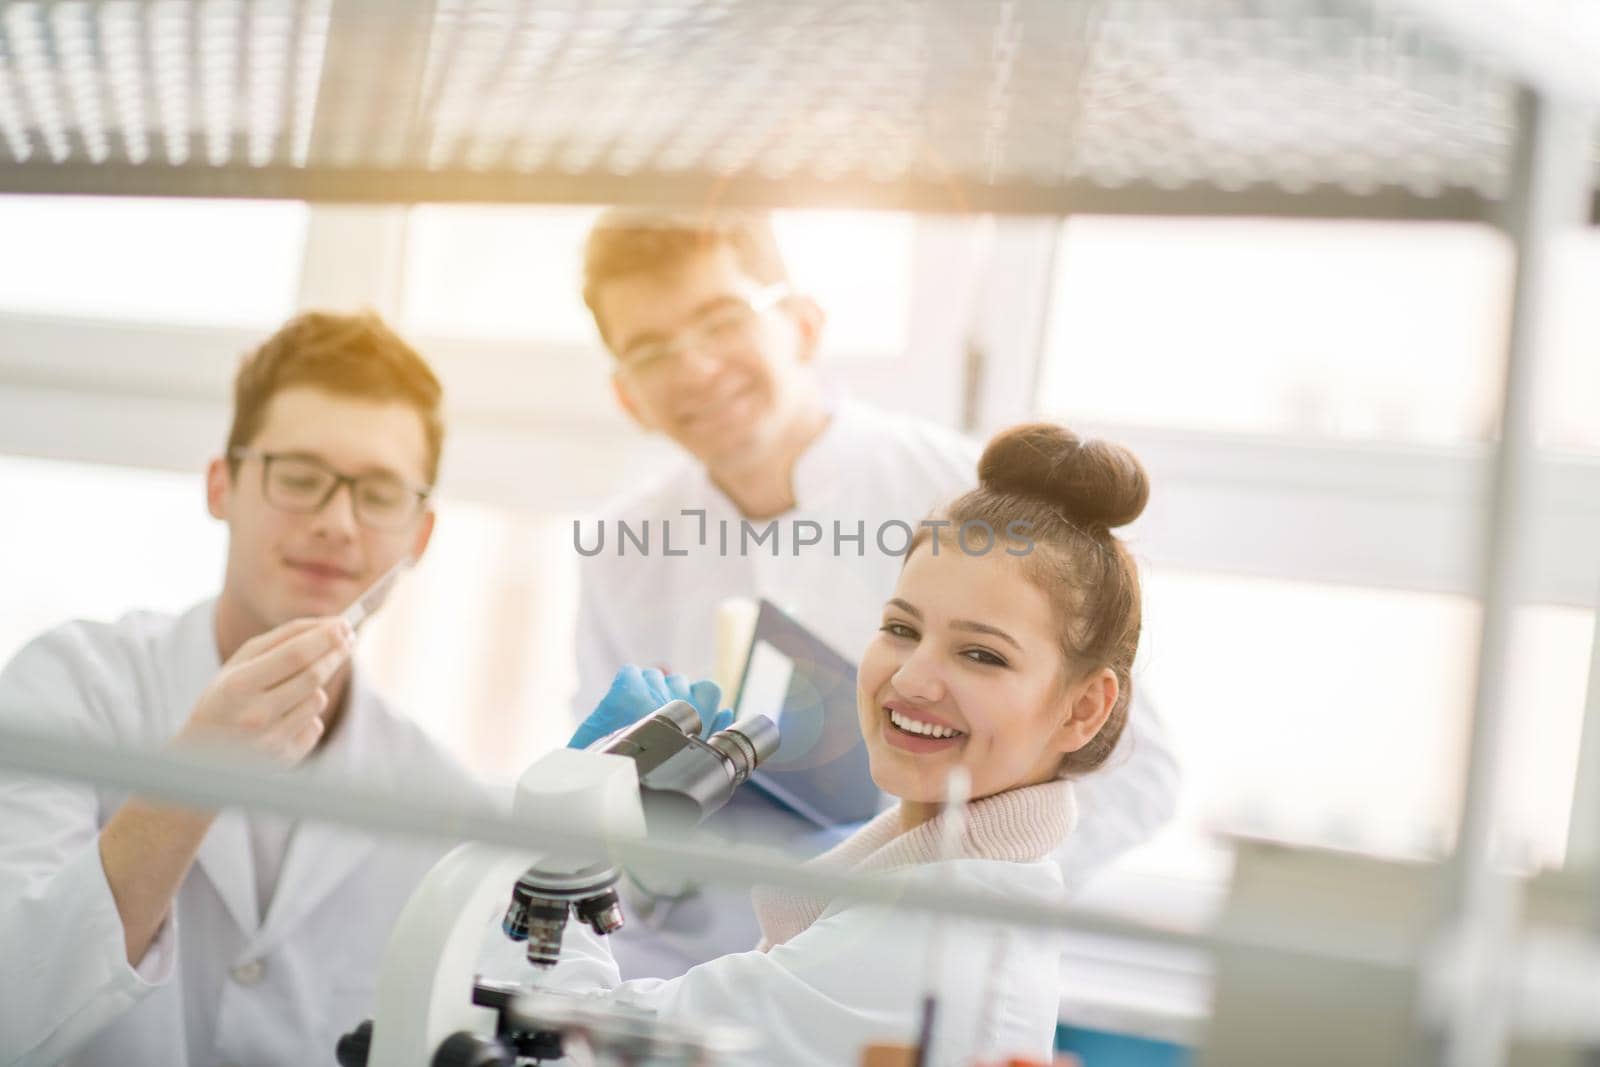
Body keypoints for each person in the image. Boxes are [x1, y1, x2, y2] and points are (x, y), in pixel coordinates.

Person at [572, 209, 1180, 973]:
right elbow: (603, 797)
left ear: (802, 324)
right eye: (652, 350)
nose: (694, 368)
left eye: (721, 319)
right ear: (628, 396)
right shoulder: (621, 551)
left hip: (910, 979)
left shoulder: (969, 499)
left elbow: (1138, 771)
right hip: (680, 983)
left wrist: (919, 877)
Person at [553, 422, 1147, 1066]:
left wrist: (565, 833)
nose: (912, 678)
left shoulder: (925, 939)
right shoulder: (924, 890)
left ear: (1084, 707)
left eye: (981, 654)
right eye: (901, 627)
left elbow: (569, 1045)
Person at [0, 312, 490, 1065]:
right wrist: (193, 774)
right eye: (299, 476)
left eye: (381, 493)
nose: (336, 522)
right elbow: (11, 1006)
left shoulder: (446, 803)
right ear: (221, 486)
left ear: (420, 535)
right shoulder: (72, 686)